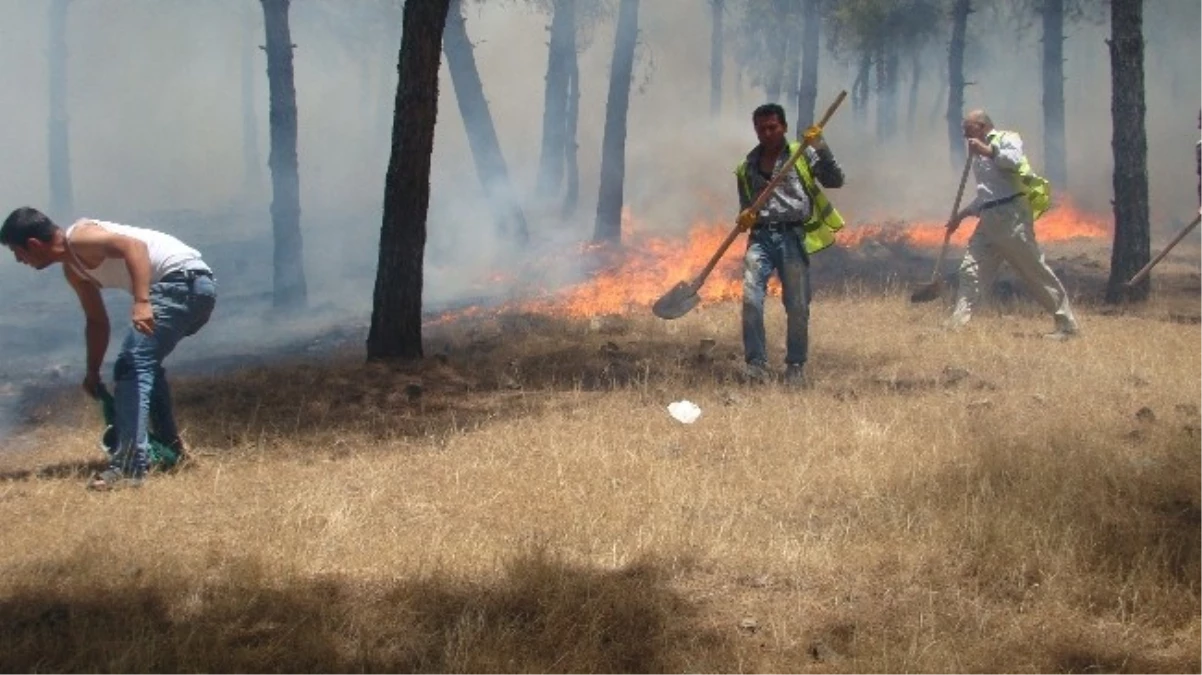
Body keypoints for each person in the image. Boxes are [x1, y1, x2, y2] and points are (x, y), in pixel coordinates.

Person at [0, 207, 217, 490]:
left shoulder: (80, 237)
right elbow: (97, 321)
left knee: (132, 364)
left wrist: (142, 301)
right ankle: (171, 450)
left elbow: (133, 247)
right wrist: (92, 371)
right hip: (194, 288)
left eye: (18, 252)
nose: (19, 260)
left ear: (34, 244)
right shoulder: (74, 271)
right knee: (143, 364)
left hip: (182, 282)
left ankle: (129, 467)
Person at [734, 103, 846, 386]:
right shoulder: (747, 167)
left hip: (792, 237)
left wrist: (820, 146)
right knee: (750, 299)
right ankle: (756, 365)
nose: (767, 133)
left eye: (773, 127)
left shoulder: (802, 153)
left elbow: (836, 181)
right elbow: (747, 207)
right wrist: (745, 216)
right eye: (761, 129)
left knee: (797, 305)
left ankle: (795, 366)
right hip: (760, 238)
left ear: (783, 127)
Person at [945, 109, 1079, 340]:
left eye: (967, 127)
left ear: (982, 126)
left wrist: (986, 151)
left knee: (1034, 271)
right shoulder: (976, 155)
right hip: (989, 220)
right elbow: (987, 193)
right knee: (970, 270)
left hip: (1012, 217)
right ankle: (957, 323)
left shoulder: (1007, 139)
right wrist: (962, 215)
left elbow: (1014, 162)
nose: (964, 132)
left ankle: (1067, 325)